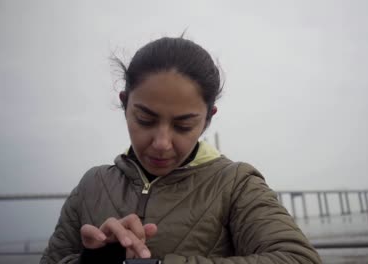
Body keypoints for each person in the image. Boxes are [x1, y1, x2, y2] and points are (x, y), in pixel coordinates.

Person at [40, 37, 321, 264]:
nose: (162, 143)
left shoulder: (236, 184)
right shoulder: (92, 185)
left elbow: (299, 258)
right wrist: (93, 261)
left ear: (208, 118)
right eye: (145, 120)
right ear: (125, 104)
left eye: (184, 125)